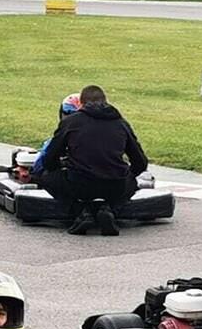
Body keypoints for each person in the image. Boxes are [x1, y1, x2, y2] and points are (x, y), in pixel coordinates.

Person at [34, 85, 148, 237]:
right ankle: (108, 209)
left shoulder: (71, 122)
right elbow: (141, 163)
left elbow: (49, 159)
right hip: (114, 185)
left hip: (80, 185)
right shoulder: (121, 123)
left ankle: (81, 212)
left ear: (81, 103)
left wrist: (62, 166)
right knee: (131, 181)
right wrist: (126, 173)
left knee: (46, 177)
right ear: (106, 101)